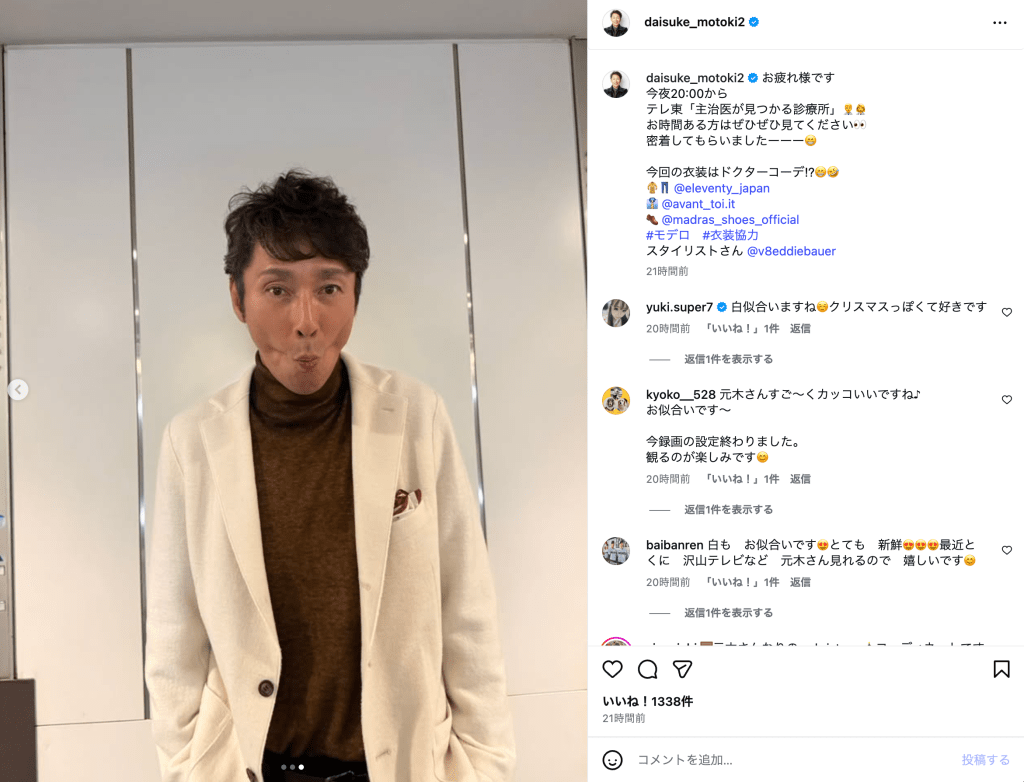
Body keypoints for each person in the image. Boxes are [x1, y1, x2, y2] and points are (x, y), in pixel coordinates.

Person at [144, 168, 515, 782]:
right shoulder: (192, 443)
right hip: (252, 766)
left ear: (356, 295)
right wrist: (187, 764)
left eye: (329, 288)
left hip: (398, 764)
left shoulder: (417, 416)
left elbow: (467, 610)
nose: (307, 321)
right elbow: (173, 635)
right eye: (278, 289)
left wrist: (483, 766)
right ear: (238, 298)